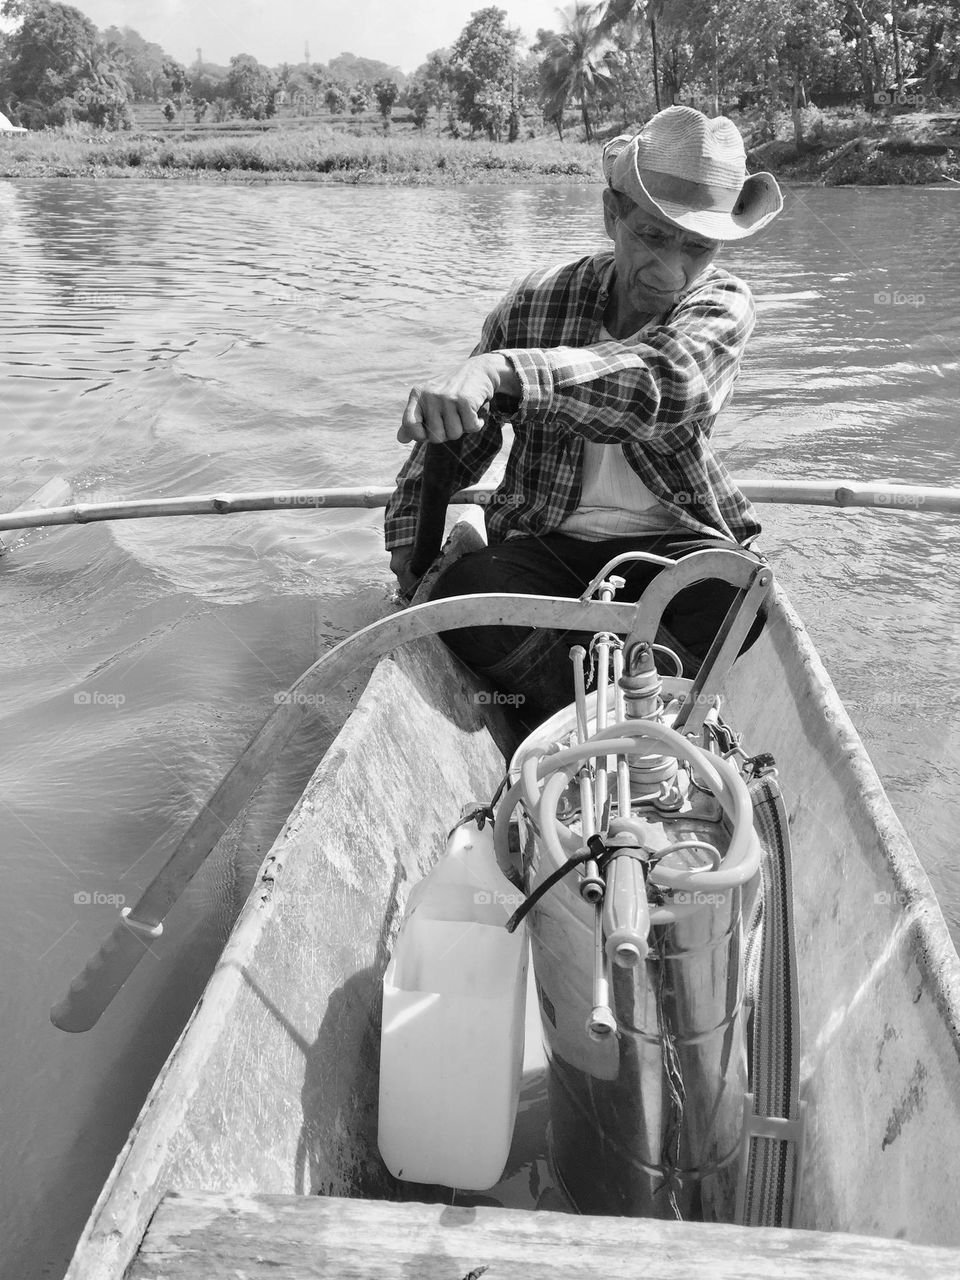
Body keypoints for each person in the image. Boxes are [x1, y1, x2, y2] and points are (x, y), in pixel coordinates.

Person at [384, 106, 783, 719]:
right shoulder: (537, 299)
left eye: (697, 247)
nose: (671, 270)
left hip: (672, 544)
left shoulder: (722, 302)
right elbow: (458, 443)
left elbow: (663, 385)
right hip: (548, 543)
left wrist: (507, 372)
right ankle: (629, 699)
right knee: (463, 594)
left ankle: (578, 696)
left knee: (734, 595)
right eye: (652, 235)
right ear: (611, 214)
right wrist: (411, 548)